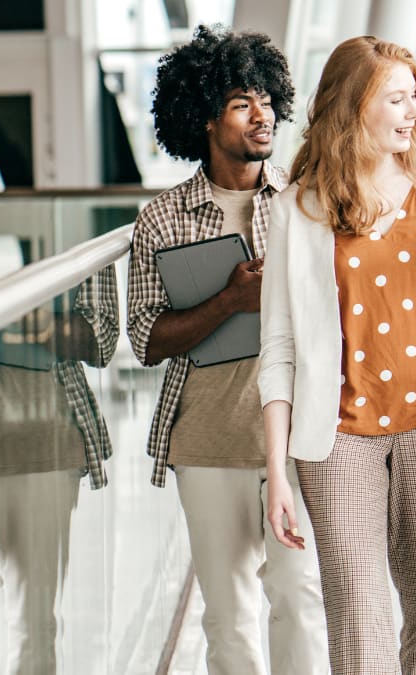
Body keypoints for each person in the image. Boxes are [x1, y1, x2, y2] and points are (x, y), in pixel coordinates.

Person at [259, 36, 416, 674]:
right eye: (396, 98)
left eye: (415, 95)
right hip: (339, 439)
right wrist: (277, 473)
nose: (414, 110)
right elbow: (279, 347)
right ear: (351, 108)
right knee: (359, 610)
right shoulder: (299, 210)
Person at [126, 25, 327, 675]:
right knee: (229, 616)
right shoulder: (163, 217)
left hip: (296, 435)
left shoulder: (305, 202)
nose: (262, 112)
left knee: (298, 596)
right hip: (206, 441)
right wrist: (228, 303)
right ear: (206, 117)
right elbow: (146, 338)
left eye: (266, 98)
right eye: (243, 101)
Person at [0, 268, 117, 674]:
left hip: (39, 437)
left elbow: (100, 340)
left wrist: (20, 310)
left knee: (33, 622)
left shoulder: (69, 225)